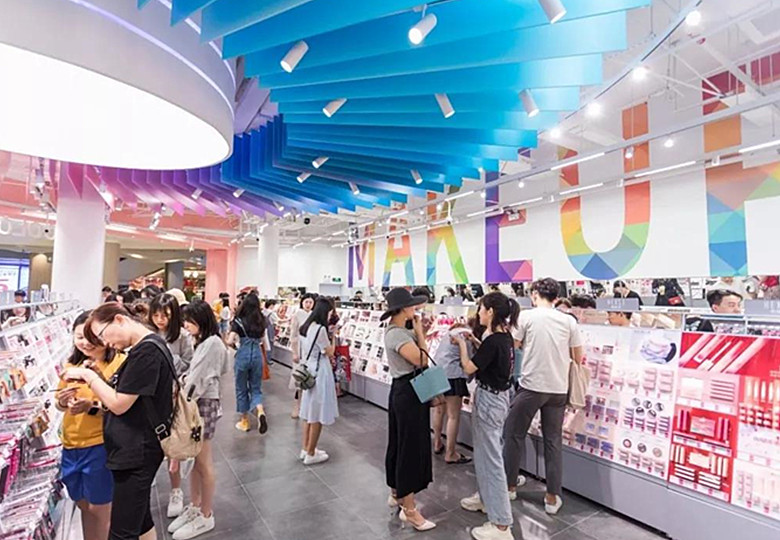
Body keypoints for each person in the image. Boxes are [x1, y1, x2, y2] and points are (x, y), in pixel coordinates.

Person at [62, 302, 174, 540]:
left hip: (137, 451)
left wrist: (88, 376)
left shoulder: (147, 352)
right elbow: (127, 394)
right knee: (140, 520)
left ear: (119, 320)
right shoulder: (145, 348)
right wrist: (98, 377)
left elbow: (118, 404)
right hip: (136, 447)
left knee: (122, 531)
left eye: (103, 335)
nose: (105, 343)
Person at [503, 278, 583, 516]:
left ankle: (509, 486)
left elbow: (513, 346)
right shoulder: (568, 321)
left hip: (531, 386)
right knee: (553, 441)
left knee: (513, 434)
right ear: (556, 297)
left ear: (535, 294)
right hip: (558, 389)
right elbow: (578, 357)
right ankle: (552, 496)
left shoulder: (526, 317)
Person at [56, 311, 126, 540]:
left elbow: (119, 405)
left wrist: (91, 406)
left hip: (99, 444)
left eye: (90, 337)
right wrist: (63, 401)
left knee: (101, 509)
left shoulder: (117, 363)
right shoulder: (71, 365)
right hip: (70, 445)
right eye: (79, 337)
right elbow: (58, 402)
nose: (85, 343)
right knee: (82, 504)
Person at [455, 293, 520, 540]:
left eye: (481, 308)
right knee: (484, 454)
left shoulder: (494, 340)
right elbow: (491, 358)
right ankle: (485, 499)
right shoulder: (503, 337)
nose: (479, 313)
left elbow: (469, 367)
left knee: (491, 460)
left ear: (490, 311)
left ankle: (501, 524)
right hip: (497, 398)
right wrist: (473, 340)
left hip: (490, 401)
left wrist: (462, 345)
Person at [169, 301, 228, 540]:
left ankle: (206, 513)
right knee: (195, 460)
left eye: (189, 321)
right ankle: (195, 506)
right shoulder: (205, 341)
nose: (185, 325)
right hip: (198, 402)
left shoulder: (211, 343)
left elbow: (197, 379)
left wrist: (182, 394)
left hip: (202, 403)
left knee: (203, 461)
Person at [383, 288, 437, 532]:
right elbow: (422, 360)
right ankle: (410, 509)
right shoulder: (397, 334)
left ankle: (397, 493)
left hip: (405, 390)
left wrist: (417, 331)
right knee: (409, 447)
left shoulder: (398, 331)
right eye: (412, 305)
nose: (416, 309)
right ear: (403, 308)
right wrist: (420, 334)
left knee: (400, 442)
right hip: (408, 392)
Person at [148, 293, 195, 518]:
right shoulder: (147, 333)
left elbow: (188, 363)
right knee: (149, 443)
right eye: (156, 315)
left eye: (165, 315)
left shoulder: (183, 336)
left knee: (172, 446)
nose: (160, 320)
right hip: (148, 396)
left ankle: (176, 491)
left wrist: (168, 359)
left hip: (172, 396)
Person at [431, 315, 481, 465]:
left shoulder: (452, 332)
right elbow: (469, 362)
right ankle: (451, 453)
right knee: (453, 416)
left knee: (439, 410)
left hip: (437, 372)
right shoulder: (467, 335)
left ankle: (437, 442)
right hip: (453, 376)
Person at [297, 297, 340, 465]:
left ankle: (306, 448)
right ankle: (311, 452)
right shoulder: (320, 329)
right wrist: (333, 337)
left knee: (309, 411)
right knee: (318, 413)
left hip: (309, 369)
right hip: (320, 372)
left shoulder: (306, 327)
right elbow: (329, 351)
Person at [227, 293, 269, 433]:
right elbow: (263, 339)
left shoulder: (238, 321)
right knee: (256, 388)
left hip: (243, 355)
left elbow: (229, 340)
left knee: (241, 388)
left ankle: (245, 421)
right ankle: (260, 410)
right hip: (257, 354)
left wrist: (232, 343)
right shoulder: (261, 321)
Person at [290, 293, 317, 419]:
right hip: (300, 350)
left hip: (310, 350)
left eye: (311, 302)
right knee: (299, 378)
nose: (308, 304)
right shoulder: (297, 315)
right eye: (306, 302)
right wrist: (295, 352)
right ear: (302, 302)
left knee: (309, 378)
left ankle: (306, 407)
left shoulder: (314, 315)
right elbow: (293, 335)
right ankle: (297, 406)